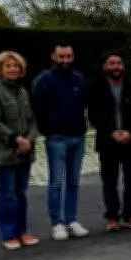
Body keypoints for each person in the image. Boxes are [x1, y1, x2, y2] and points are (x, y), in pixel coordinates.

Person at [30, 41, 90, 240]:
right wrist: (48, 130)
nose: (65, 60)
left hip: (78, 137)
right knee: (56, 182)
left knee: (73, 182)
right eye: (61, 56)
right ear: (53, 57)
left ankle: (72, 220)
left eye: (69, 56)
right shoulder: (44, 79)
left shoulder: (79, 79)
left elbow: (84, 104)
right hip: (56, 138)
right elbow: (36, 108)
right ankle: (57, 223)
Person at [0, 51, 40, 250]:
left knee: (21, 193)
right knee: (8, 194)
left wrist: (30, 140)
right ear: (0, 69)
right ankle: (8, 233)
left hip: (25, 153)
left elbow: (33, 120)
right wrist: (16, 140)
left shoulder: (23, 92)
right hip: (5, 154)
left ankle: (22, 231)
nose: (13, 69)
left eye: (16, 66)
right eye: (8, 66)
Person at [86, 50, 131, 232]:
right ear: (105, 66)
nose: (116, 67)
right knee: (110, 182)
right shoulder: (95, 88)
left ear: (123, 66)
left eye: (118, 63)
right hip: (107, 142)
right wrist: (110, 132)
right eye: (112, 63)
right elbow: (93, 116)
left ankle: (130, 214)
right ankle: (112, 216)